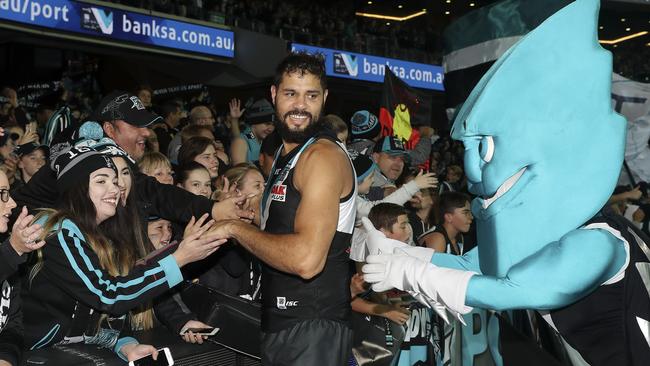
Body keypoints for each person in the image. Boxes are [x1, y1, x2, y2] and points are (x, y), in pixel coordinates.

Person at [209, 52, 356, 365]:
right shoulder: (284, 154)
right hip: (285, 321)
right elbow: (282, 224)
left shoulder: (322, 157)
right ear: (274, 95)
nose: (300, 106)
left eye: (311, 96)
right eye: (291, 94)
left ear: (324, 98)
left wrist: (235, 229)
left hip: (313, 323)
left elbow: (306, 260)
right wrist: (246, 215)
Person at [21, 147, 226, 362]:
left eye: (115, 180)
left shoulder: (98, 233)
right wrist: (180, 257)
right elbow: (108, 295)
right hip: (30, 352)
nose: (116, 188)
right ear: (77, 189)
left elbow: (100, 305)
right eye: (102, 181)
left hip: (65, 351)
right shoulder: (59, 232)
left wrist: (123, 344)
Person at [0, 169, 45, 366]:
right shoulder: (8, 254)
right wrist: (13, 250)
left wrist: (6, 360)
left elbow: (12, 325)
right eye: (2, 193)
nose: (12, 203)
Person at [229, 98, 276, 165]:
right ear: (254, 123)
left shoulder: (265, 141)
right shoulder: (242, 141)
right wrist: (234, 120)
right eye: (267, 124)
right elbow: (239, 172)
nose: (271, 128)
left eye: (273, 125)